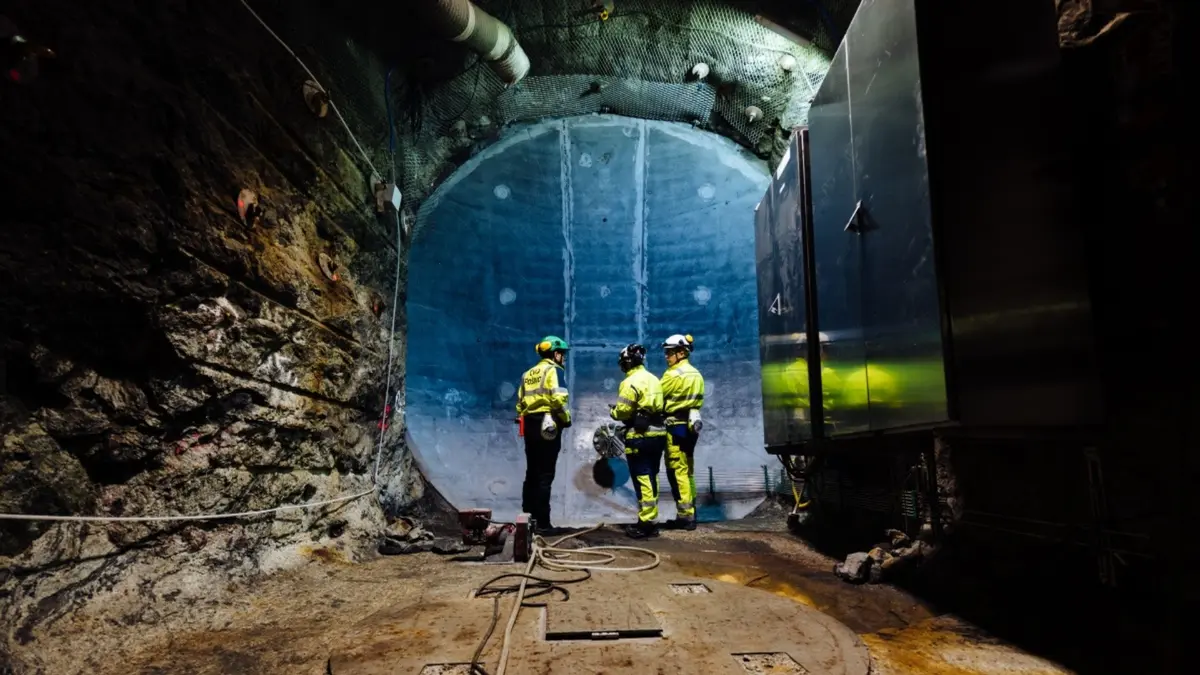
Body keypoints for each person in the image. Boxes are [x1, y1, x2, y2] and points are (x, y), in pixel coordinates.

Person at [608, 343, 668, 539]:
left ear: (627, 362)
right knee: (652, 476)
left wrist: (613, 411)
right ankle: (652, 518)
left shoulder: (629, 382)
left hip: (640, 436)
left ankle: (646, 523)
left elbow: (623, 411)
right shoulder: (654, 379)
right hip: (659, 434)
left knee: (642, 477)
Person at [515, 335, 572, 534]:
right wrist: (566, 419)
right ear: (555, 354)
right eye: (562, 354)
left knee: (532, 472)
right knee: (545, 475)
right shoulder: (554, 370)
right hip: (548, 424)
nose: (563, 358)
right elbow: (558, 399)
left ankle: (527, 518)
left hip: (530, 424)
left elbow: (520, 404)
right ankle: (543, 523)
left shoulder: (528, 374)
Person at [660, 334, 705, 530]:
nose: (666, 357)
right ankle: (692, 510)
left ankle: (685, 516)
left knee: (676, 471)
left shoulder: (672, 375)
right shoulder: (697, 374)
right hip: (691, 427)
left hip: (675, 427)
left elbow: (656, 398)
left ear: (681, 353)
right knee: (688, 471)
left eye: (669, 353)